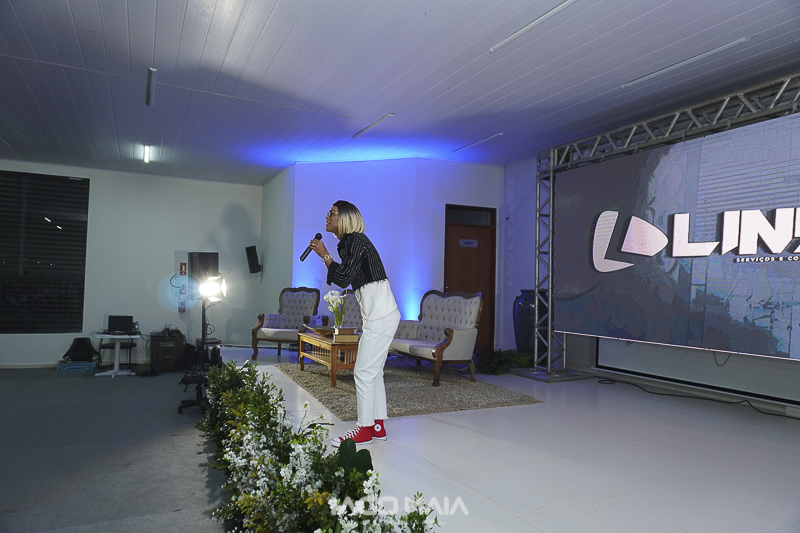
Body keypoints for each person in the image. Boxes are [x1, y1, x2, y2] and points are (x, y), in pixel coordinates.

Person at [309, 200, 401, 447]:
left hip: (380, 317)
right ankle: (377, 426)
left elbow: (342, 278)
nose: (327, 216)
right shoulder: (351, 242)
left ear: (346, 218)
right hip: (382, 316)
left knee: (362, 373)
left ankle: (364, 430)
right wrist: (328, 256)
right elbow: (346, 274)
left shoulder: (354, 241)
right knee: (374, 373)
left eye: (332, 213)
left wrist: (324, 255)